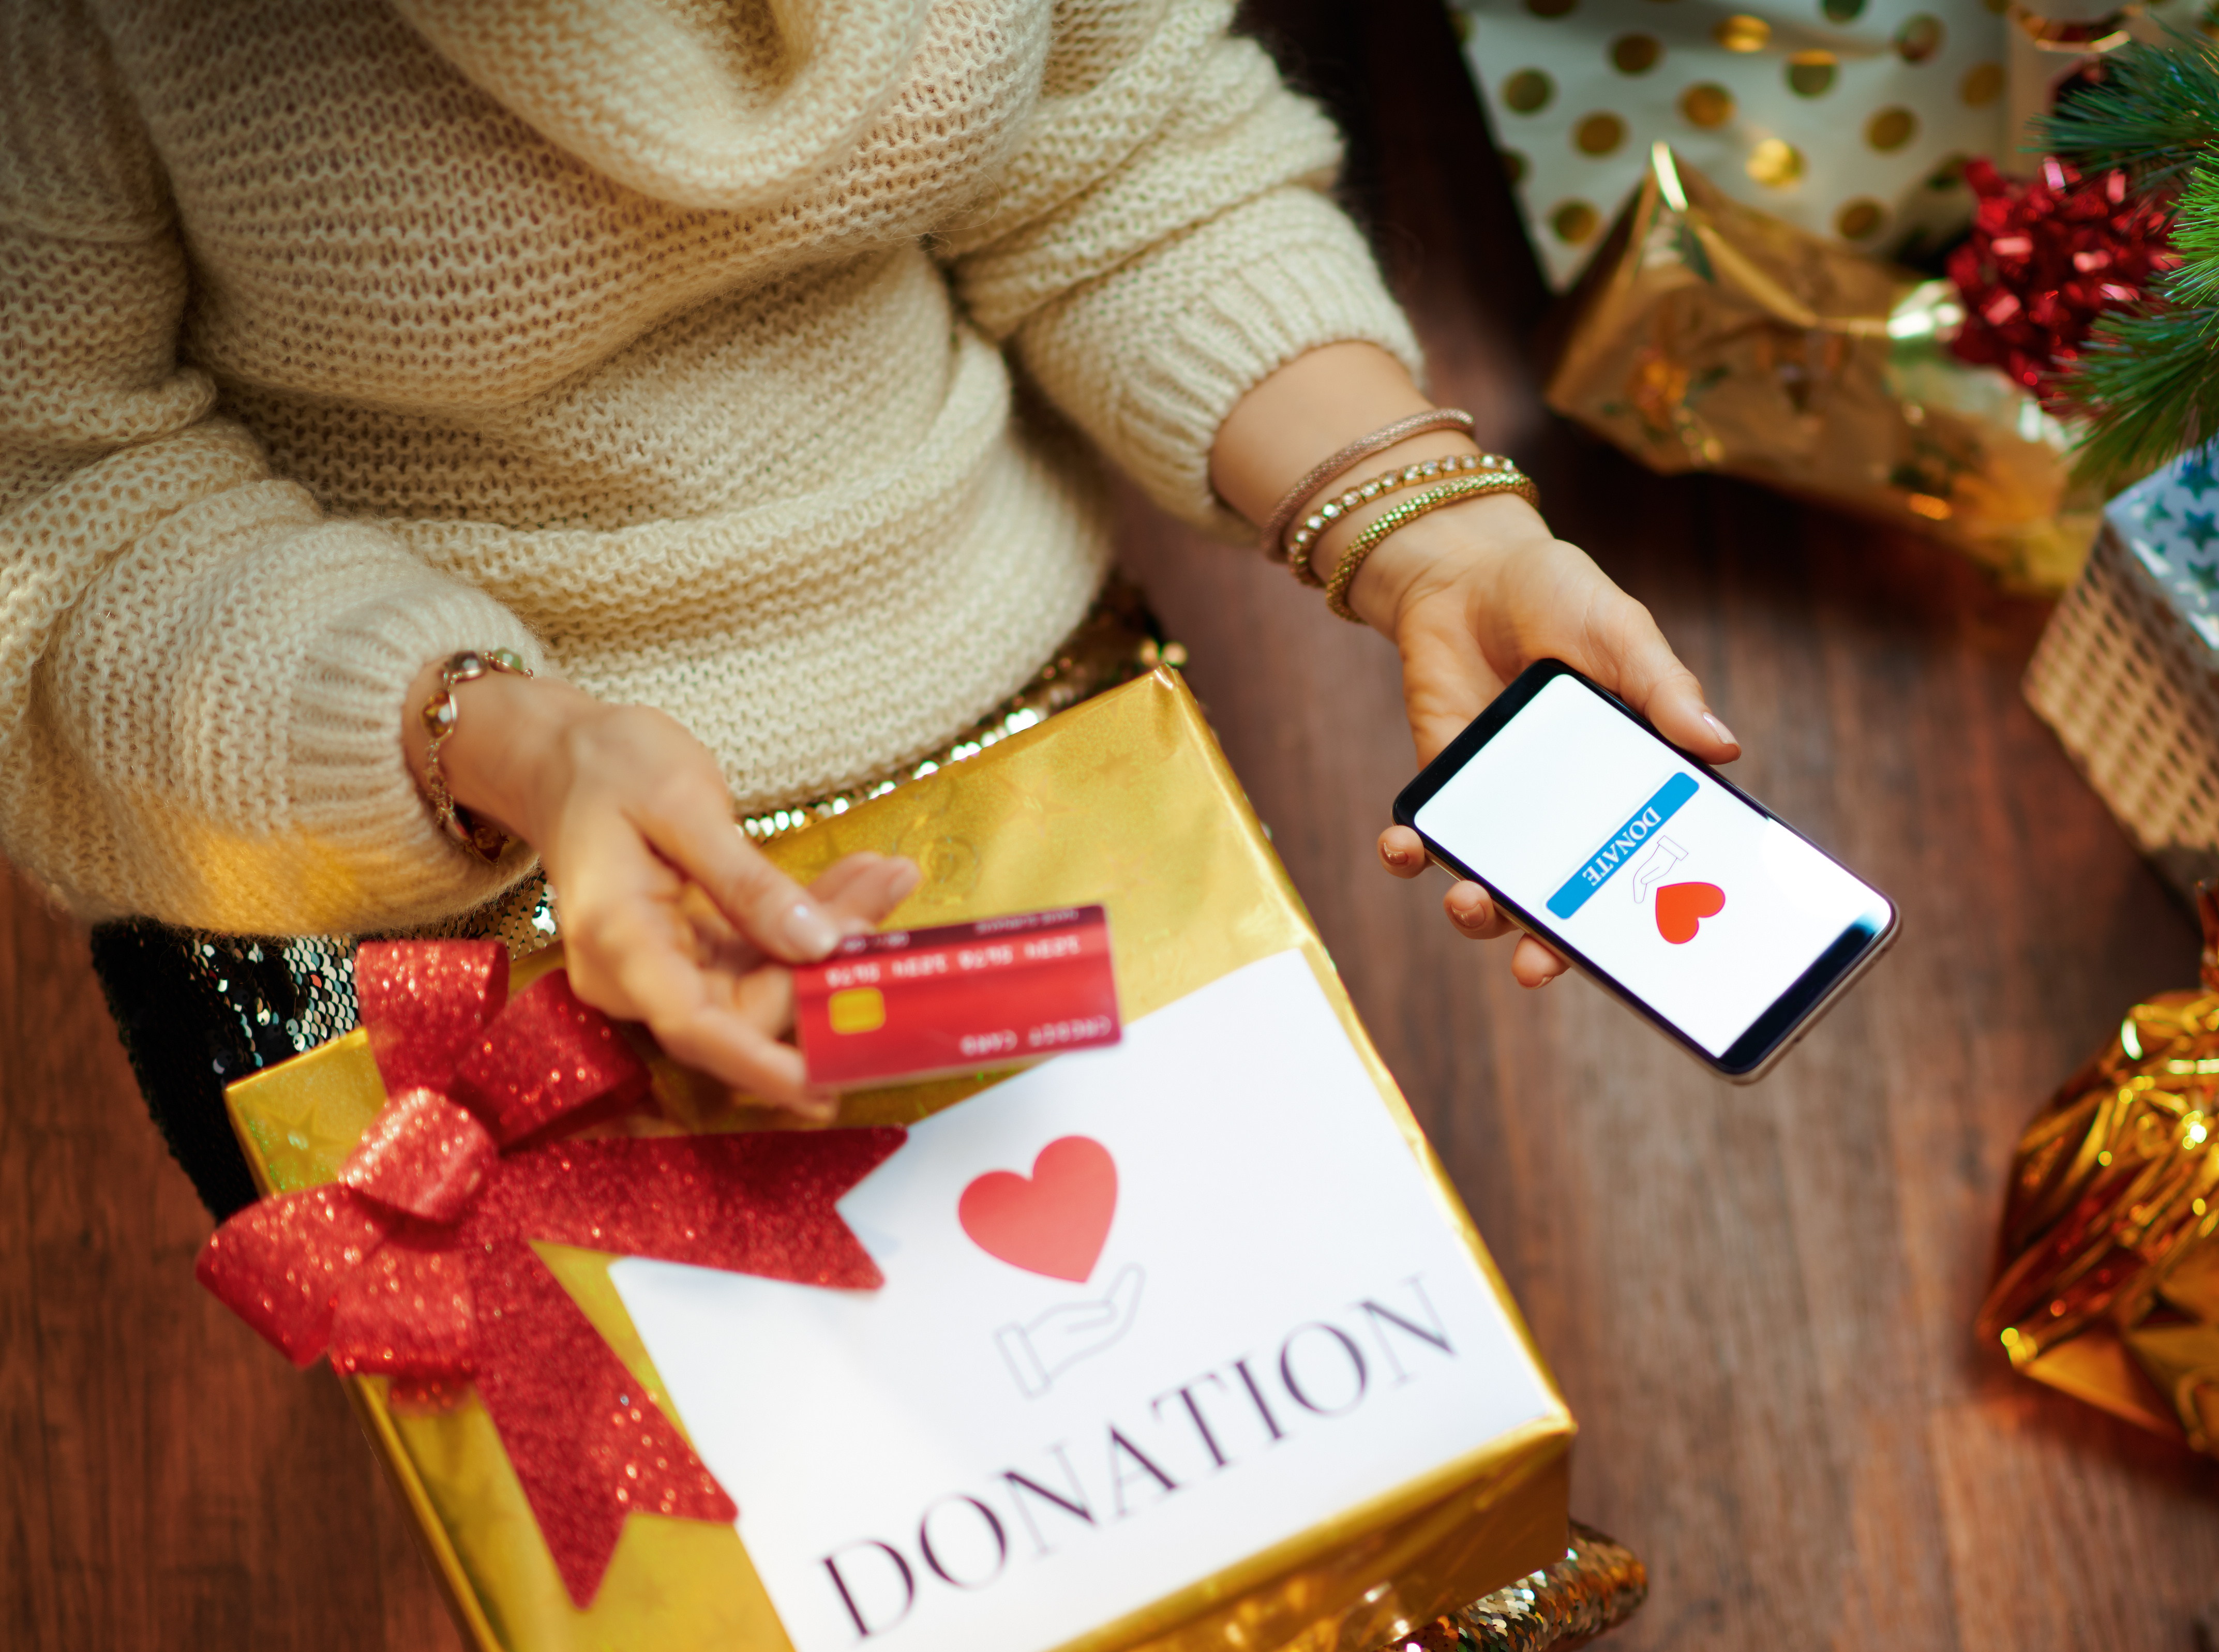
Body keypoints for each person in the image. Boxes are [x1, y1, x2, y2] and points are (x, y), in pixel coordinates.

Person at [1, 0, 1741, 1132]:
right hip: (388, 816)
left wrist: (1431, 528)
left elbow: (1121, 159)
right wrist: (510, 745)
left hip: (1030, 709)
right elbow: (61, 503)